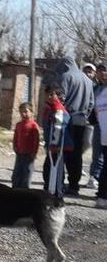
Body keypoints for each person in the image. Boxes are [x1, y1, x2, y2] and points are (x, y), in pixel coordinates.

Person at [51, 56, 94, 195]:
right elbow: (92, 103)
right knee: (76, 155)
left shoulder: (65, 77)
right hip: (81, 121)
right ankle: (74, 185)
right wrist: (85, 114)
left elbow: (60, 99)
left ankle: (60, 183)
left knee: (63, 152)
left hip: (67, 120)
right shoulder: (87, 80)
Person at [42, 85, 71, 199]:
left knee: (56, 170)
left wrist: (54, 143)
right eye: (47, 94)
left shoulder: (58, 109)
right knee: (48, 169)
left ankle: (56, 195)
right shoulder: (49, 108)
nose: (48, 97)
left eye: (51, 94)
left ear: (58, 96)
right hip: (51, 144)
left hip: (57, 145)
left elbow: (59, 127)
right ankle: (49, 192)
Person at [11, 102, 40, 189]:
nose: (23, 114)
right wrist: (15, 146)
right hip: (19, 153)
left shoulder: (34, 126)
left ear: (31, 112)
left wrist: (34, 153)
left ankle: (25, 191)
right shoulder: (18, 125)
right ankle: (15, 190)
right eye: (21, 112)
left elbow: (36, 141)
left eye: (26, 111)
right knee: (16, 173)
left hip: (29, 155)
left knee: (26, 174)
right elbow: (16, 137)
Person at [87, 63, 106, 189]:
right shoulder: (96, 88)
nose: (100, 74)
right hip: (99, 124)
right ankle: (94, 176)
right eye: (99, 71)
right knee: (97, 151)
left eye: (103, 71)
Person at [93, 71, 107, 207]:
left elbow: (97, 114)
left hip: (104, 135)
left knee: (105, 167)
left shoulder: (100, 95)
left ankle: (102, 197)